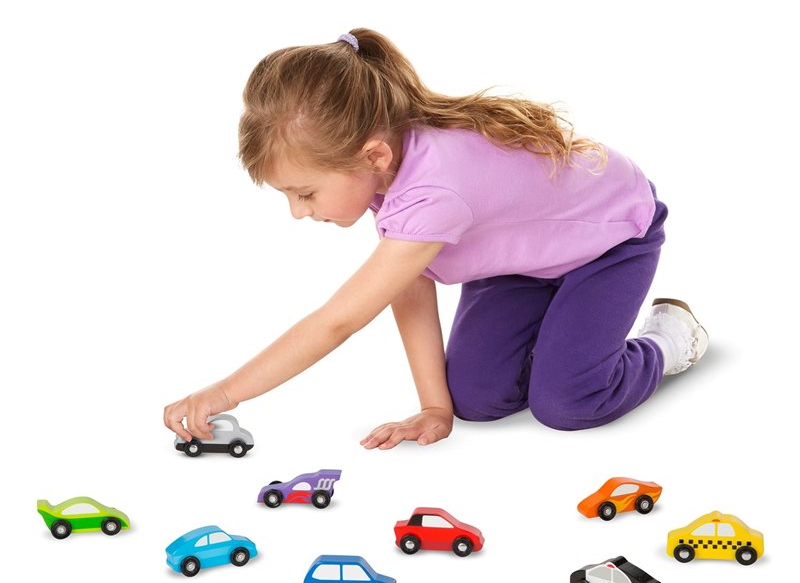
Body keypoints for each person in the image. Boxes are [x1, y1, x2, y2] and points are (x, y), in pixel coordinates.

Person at [163, 28, 708, 450]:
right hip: (519, 259)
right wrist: (435, 408)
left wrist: (226, 392)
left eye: (305, 193)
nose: (298, 212)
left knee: (568, 402)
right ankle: (561, 334)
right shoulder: (385, 167)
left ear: (372, 155)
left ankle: (669, 338)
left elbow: (338, 321)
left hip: (608, 241)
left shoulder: (435, 189)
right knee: (475, 400)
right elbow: (410, 286)